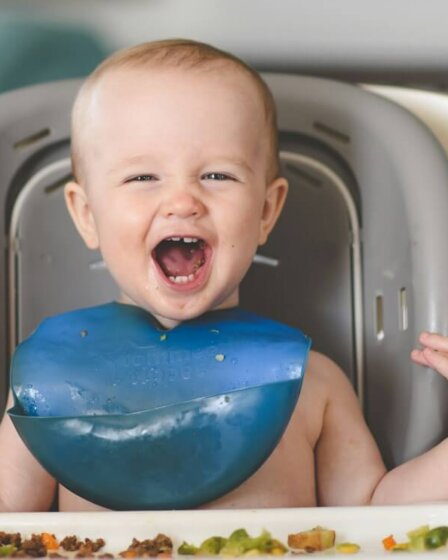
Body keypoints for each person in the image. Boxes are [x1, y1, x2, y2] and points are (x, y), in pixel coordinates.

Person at [1, 39, 448, 512]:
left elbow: (381, 517)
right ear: (87, 215)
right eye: (142, 178)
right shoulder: (49, 384)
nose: (182, 200)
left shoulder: (312, 384)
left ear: (266, 212)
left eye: (217, 176)